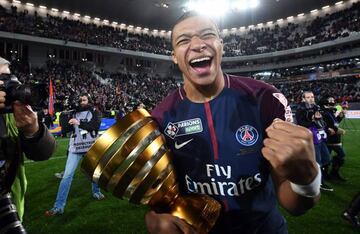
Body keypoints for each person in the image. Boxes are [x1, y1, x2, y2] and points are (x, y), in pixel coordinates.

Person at [147, 12, 320, 233]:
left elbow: (293, 204)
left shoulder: (264, 98)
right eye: (184, 40)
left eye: (207, 35)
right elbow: (161, 195)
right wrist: (153, 217)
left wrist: (307, 181)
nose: (198, 44)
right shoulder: (162, 117)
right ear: (174, 56)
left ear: (221, 46)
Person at [0, 57, 56, 231]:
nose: (9, 84)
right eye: (2, 79)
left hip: (10, 208)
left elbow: (44, 153)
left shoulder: (11, 112)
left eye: (9, 78)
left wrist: (33, 130)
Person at [45, 93, 104, 216]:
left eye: (84, 99)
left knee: (94, 172)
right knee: (67, 176)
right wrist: (65, 116)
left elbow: (95, 126)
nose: (82, 102)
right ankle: (58, 207)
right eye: (80, 100)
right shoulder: (73, 112)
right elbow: (65, 130)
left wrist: (78, 123)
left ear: (89, 100)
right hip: (75, 149)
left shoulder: (95, 111)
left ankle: (96, 191)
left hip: (90, 148)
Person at [295, 91, 333, 192]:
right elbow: (300, 125)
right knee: (318, 161)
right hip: (311, 139)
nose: (311, 99)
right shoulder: (300, 109)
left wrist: (326, 127)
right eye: (308, 97)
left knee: (327, 158)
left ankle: (309, 172)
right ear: (303, 99)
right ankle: (320, 183)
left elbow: (321, 120)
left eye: (312, 97)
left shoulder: (316, 107)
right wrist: (312, 120)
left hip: (320, 137)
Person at [320, 96, 346, 181]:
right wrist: (337, 130)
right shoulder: (325, 113)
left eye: (333, 100)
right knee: (340, 155)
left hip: (334, 138)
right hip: (330, 139)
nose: (333, 102)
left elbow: (335, 123)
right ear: (325, 103)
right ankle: (331, 174)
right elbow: (326, 126)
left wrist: (340, 117)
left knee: (327, 159)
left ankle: (329, 175)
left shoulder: (330, 112)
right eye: (330, 100)